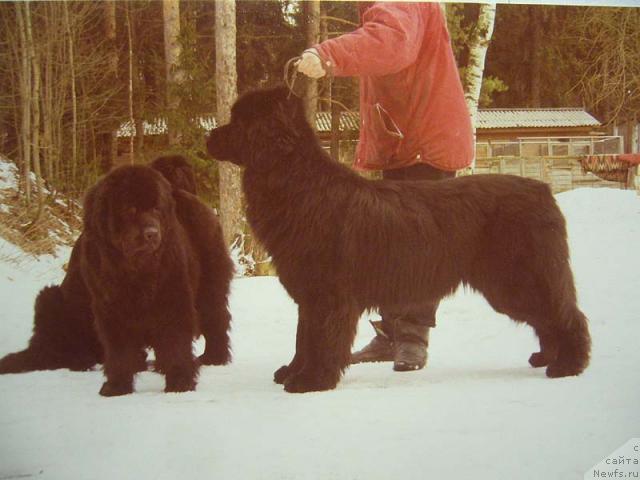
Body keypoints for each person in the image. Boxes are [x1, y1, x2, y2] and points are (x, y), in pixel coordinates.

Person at [296, 2, 473, 372]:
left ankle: (412, 336)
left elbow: (392, 42)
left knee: (420, 246)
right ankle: (392, 333)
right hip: (406, 139)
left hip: (424, 142)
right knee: (392, 244)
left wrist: (328, 55)